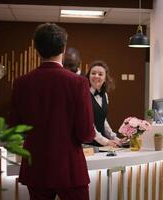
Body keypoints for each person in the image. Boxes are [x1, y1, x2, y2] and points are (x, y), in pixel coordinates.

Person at [10, 23, 95, 200]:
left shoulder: (21, 83)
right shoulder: (78, 83)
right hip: (70, 167)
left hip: (36, 166)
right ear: (63, 48)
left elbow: (15, 128)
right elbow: (86, 132)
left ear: (36, 49)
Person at [85, 60, 123, 147]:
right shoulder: (84, 95)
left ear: (105, 78)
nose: (96, 76)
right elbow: (88, 124)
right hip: (88, 144)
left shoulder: (105, 95)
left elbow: (103, 120)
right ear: (88, 76)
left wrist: (115, 138)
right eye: (93, 73)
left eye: (100, 74)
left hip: (100, 143)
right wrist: (106, 142)